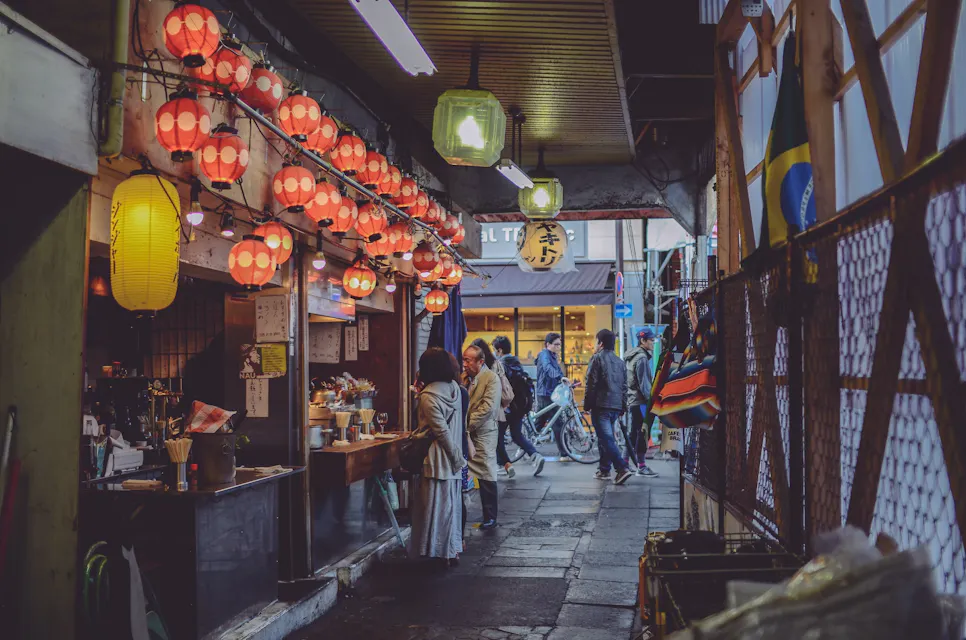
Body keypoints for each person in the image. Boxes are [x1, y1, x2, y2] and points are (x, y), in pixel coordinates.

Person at [410, 348, 466, 565]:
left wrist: (454, 457)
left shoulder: (428, 396)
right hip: (453, 459)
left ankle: (433, 552)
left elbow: (440, 432)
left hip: (435, 459)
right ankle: (450, 551)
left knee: (433, 508)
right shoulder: (455, 389)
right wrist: (458, 459)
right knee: (449, 508)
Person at [584, 329, 633, 485]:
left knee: (606, 439)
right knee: (605, 437)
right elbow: (625, 387)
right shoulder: (620, 362)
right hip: (616, 406)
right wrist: (623, 407)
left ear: (601, 343)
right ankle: (604, 469)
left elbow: (591, 384)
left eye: (596, 341)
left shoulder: (597, 359)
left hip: (601, 405)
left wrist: (587, 404)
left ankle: (621, 468)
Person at [463, 344, 502, 530]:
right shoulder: (464, 378)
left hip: (484, 433)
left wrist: (465, 426)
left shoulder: (491, 378)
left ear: (480, 361)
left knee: (486, 471)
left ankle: (490, 516)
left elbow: (487, 408)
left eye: (468, 360)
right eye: (463, 359)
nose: (464, 364)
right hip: (466, 433)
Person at [492, 336, 544, 476]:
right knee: (516, 434)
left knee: (497, 437)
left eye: (494, 350)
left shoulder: (501, 364)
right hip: (519, 406)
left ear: (500, 350)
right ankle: (535, 455)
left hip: (506, 407)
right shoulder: (516, 363)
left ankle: (505, 466)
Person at [471, 338, 517, 478]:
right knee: (496, 443)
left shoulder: (479, 368)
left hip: (484, 410)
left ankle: (487, 474)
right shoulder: (497, 364)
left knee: (488, 446)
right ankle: (505, 466)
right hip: (499, 412)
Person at [624, 328, 659, 478]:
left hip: (633, 401)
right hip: (641, 402)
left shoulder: (633, 356)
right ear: (642, 341)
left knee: (634, 433)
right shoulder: (642, 359)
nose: (653, 342)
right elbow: (645, 385)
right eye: (651, 340)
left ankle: (625, 463)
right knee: (642, 434)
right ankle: (641, 466)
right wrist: (652, 401)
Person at [535, 332, 568, 457]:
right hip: (546, 393)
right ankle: (564, 452)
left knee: (540, 422)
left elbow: (558, 371)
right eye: (556, 345)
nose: (558, 347)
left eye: (560, 345)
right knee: (557, 422)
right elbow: (548, 368)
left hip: (551, 393)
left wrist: (564, 380)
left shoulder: (553, 356)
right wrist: (560, 378)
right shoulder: (545, 355)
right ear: (548, 344)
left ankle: (526, 447)